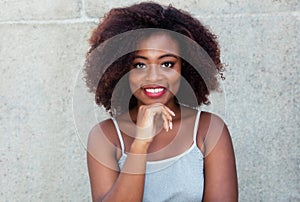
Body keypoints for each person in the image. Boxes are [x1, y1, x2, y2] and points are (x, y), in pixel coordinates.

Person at [84, 2, 238, 201]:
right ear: (119, 70)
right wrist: (141, 143)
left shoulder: (209, 130)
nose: (154, 77)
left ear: (186, 67)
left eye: (167, 63)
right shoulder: (105, 137)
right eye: (139, 64)